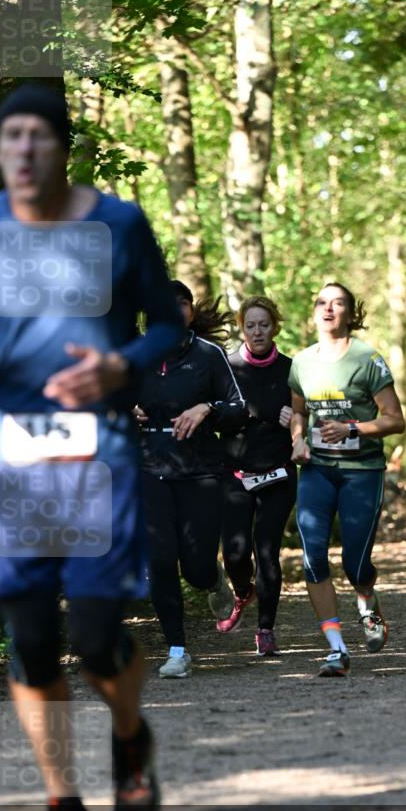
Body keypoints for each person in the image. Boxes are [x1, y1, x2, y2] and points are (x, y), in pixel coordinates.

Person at [0, 84, 185, 811]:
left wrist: (120, 366)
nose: (23, 150)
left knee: (93, 636)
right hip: (7, 443)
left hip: (97, 445)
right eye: (10, 137)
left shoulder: (117, 223)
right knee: (29, 637)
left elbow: (164, 326)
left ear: (63, 147)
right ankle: (62, 792)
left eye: (38, 136)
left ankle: (129, 740)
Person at [289, 282, 405, 677]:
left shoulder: (368, 359)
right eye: (322, 302)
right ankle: (337, 649)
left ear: (350, 314)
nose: (328, 309)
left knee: (355, 565)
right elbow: (299, 412)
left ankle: (367, 600)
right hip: (316, 471)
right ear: (314, 311)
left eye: (338, 304)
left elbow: (395, 419)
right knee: (312, 557)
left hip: (362, 473)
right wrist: (298, 441)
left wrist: (352, 429)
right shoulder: (302, 362)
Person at [135, 281, 245, 679]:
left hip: (200, 471)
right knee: (160, 561)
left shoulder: (208, 354)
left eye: (182, 303)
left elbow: (239, 408)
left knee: (196, 570)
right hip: (149, 469)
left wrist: (207, 408)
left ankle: (213, 578)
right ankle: (177, 650)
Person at [219, 297, 296, 657]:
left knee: (267, 552)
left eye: (264, 324)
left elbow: (308, 413)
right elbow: (214, 414)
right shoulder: (227, 368)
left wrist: (297, 417)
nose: (257, 331)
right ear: (242, 327)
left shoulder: (292, 369)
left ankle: (265, 629)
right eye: (250, 325)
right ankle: (241, 591)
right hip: (236, 474)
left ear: (275, 326)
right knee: (235, 553)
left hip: (278, 473)